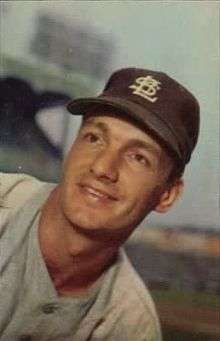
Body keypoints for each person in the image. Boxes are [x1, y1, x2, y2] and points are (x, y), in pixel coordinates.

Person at [0, 67, 200, 341]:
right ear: (72, 148)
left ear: (167, 195)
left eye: (138, 157)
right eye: (95, 138)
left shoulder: (131, 327)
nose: (103, 167)